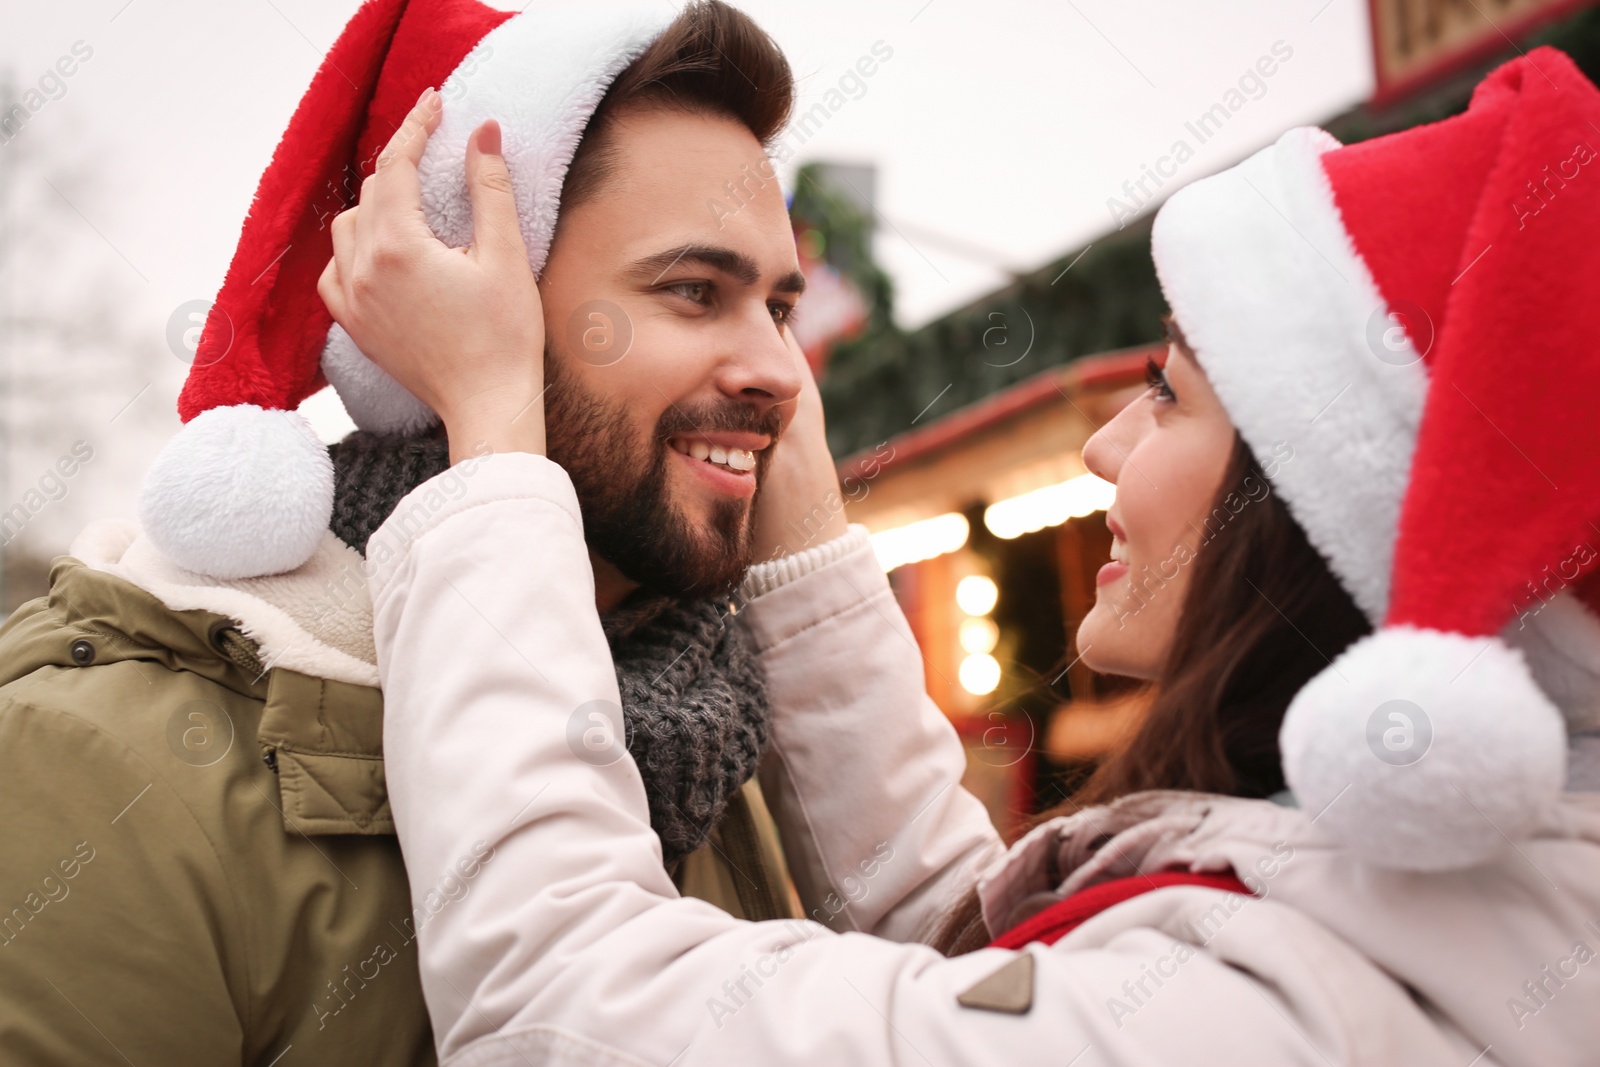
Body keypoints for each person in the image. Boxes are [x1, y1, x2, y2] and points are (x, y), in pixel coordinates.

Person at [334, 44, 1600, 1066]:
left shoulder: (1291, 1007)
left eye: (1166, 391)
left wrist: (496, 429)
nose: (1105, 444)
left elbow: (563, 996)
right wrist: (806, 534)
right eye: (697, 294)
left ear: (1318, 500)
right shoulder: (1468, 906)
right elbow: (973, 964)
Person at [0, 1, 816, 1061]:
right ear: (456, 312)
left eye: (780, 308)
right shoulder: (98, 763)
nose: (781, 372)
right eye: (694, 291)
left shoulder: (710, 735)